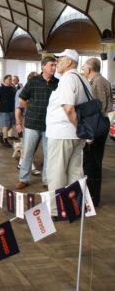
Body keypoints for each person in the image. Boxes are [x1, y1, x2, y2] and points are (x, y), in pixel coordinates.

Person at [46, 49, 90, 214]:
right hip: (76, 135)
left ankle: (56, 210)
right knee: (75, 172)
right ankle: (74, 207)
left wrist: (77, 127)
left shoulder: (67, 80)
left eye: (60, 59)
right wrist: (81, 130)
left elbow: (69, 108)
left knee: (56, 173)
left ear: (70, 62)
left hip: (62, 134)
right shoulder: (82, 79)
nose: (57, 62)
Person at [15, 57, 59, 190]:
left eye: (55, 65)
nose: (54, 68)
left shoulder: (57, 83)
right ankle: (24, 179)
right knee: (28, 153)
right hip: (32, 124)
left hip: (50, 125)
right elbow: (22, 99)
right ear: (43, 67)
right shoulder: (33, 81)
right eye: (51, 65)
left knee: (48, 154)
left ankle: (46, 180)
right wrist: (31, 109)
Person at [82, 58, 112, 207]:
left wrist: (91, 132)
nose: (82, 69)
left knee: (92, 164)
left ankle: (92, 199)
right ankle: (91, 197)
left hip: (97, 125)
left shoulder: (98, 81)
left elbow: (97, 108)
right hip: (98, 124)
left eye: (83, 67)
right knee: (90, 163)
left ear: (89, 69)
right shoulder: (97, 80)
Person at [14, 71, 41, 175]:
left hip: (38, 121)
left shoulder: (38, 90)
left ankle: (21, 163)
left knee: (31, 146)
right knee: (28, 145)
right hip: (27, 120)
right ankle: (31, 167)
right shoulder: (21, 91)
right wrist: (18, 123)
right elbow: (18, 109)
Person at [0, 74, 16, 148]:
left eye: (11, 79)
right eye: (9, 79)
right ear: (4, 80)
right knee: (5, 126)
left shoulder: (13, 89)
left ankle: (1, 135)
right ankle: (5, 140)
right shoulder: (0, 89)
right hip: (4, 110)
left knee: (10, 125)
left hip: (12, 110)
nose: (10, 80)